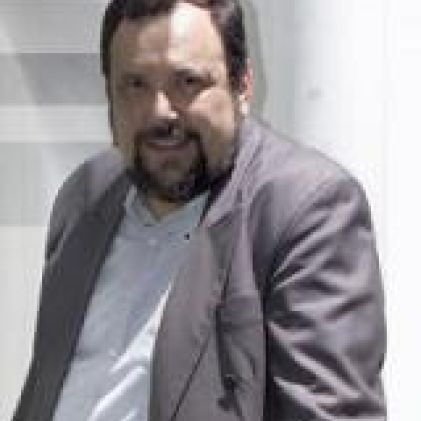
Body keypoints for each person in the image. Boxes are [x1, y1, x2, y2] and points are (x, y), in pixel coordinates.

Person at [13, 0, 386, 420]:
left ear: (242, 85)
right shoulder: (85, 197)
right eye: (135, 84)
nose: (160, 111)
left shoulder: (306, 210)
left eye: (187, 82)